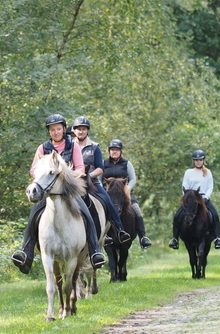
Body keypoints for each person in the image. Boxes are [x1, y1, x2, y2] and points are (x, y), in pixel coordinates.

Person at [11, 114, 106, 274]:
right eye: (52, 130)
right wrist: (44, 177)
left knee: (87, 213)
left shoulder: (73, 147)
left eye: (59, 129)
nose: (56, 132)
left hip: (68, 190)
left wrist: (64, 176)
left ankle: (95, 251)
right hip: (48, 190)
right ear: (49, 132)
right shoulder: (42, 148)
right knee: (34, 215)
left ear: (63, 130)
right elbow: (34, 169)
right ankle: (26, 253)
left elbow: (80, 169)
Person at [71, 116, 133, 247]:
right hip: (73, 184)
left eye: (83, 129)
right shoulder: (69, 146)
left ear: (87, 131)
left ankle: (120, 230)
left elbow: (101, 168)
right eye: (78, 129)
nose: (81, 131)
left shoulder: (94, 147)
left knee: (107, 201)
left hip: (91, 182)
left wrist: (90, 175)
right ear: (74, 130)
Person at [101, 139, 152, 249]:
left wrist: (127, 189)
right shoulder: (103, 163)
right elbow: (99, 180)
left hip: (125, 195)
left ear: (121, 151)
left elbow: (133, 179)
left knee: (137, 211)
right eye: (112, 150)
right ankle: (100, 237)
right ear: (109, 151)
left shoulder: (126, 163)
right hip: (108, 195)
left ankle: (143, 237)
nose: (114, 152)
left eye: (117, 150)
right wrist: (103, 191)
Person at [168, 149, 220, 250]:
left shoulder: (208, 173)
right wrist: (187, 197)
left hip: (203, 198)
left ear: (203, 160)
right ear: (194, 161)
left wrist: (206, 197)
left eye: (200, 160)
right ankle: (175, 239)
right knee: (177, 216)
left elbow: (210, 187)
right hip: (190, 199)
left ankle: (217, 238)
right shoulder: (188, 172)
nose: (198, 161)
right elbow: (184, 186)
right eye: (196, 160)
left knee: (215, 215)